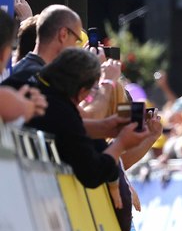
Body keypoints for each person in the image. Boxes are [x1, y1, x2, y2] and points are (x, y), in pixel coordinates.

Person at [25, 48, 151, 188]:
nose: (92, 98)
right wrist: (121, 143)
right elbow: (92, 174)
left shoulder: (40, 90)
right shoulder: (56, 106)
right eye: (94, 90)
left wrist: (106, 127)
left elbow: (73, 126)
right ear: (81, 92)